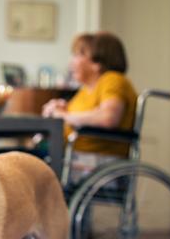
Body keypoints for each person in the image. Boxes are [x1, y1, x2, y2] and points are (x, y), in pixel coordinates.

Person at [42, 31, 138, 184]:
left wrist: (64, 116)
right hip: (73, 155)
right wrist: (60, 109)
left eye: (79, 55)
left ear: (97, 62)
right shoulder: (87, 89)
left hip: (92, 161)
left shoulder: (112, 80)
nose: (72, 62)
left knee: (14, 161)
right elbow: (81, 114)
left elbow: (108, 117)